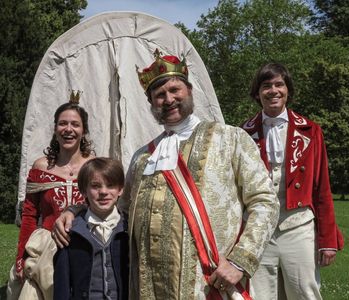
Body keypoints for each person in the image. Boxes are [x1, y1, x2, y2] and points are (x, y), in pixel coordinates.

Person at [53, 49, 279, 299]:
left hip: (208, 286)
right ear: (151, 104)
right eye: (159, 95)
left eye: (175, 90)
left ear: (190, 92)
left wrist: (240, 261)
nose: (168, 99)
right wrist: (74, 211)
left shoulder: (230, 138)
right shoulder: (142, 157)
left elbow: (265, 201)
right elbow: (121, 209)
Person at [240, 62, 344, 299]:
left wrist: (327, 240)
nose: (273, 90)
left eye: (279, 84)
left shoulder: (310, 131)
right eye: (266, 85)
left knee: (304, 292)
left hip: (298, 226)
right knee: (258, 295)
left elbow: (322, 188)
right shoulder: (242, 133)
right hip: (257, 228)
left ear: (288, 90)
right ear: (257, 93)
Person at [7, 94, 95, 300]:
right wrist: (21, 257)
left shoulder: (94, 167)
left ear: (84, 131)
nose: (68, 129)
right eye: (62, 123)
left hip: (84, 244)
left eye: (75, 124)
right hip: (45, 248)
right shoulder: (41, 167)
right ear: (55, 129)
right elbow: (29, 215)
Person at [53, 157, 128, 300]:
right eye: (95, 186)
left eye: (110, 185)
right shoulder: (70, 231)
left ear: (120, 189)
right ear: (83, 190)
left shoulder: (129, 229)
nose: (103, 192)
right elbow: (62, 284)